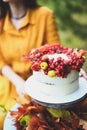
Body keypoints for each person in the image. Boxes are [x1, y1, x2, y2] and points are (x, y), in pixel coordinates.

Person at [0, 0, 87, 129]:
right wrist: (18, 82)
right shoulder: (1, 21)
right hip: (10, 82)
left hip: (44, 86)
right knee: (6, 118)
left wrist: (71, 67)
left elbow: (56, 50)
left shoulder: (44, 15)